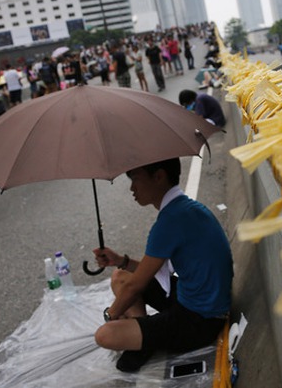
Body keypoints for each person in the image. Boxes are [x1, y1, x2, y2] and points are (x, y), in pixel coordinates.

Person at [93, 158, 233, 372]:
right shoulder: (185, 208)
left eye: (136, 180)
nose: (132, 188)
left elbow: (135, 287)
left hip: (201, 321)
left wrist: (110, 316)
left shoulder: (169, 222)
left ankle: (143, 339)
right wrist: (120, 260)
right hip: (198, 301)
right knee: (120, 275)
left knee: (105, 335)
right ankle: (143, 339)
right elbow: (152, 270)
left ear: (159, 176)